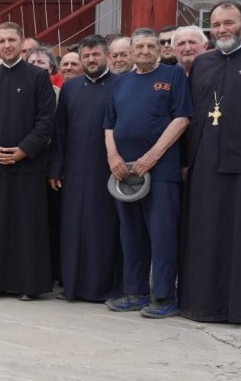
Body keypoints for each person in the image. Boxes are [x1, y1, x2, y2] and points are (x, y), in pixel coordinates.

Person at [181, 1, 241, 324]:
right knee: (206, 234)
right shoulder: (203, 63)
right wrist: (185, 161)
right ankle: (202, 305)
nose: (221, 29)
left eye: (228, 23)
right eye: (216, 24)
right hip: (204, 162)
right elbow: (190, 115)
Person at [103, 28, 191, 318]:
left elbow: (181, 118)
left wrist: (152, 156)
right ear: (130, 51)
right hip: (124, 172)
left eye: (149, 46)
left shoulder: (173, 75)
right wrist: (113, 156)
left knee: (162, 235)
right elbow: (109, 124)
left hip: (160, 171)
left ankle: (165, 297)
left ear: (159, 49)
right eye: (138, 46)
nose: (143, 51)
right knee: (131, 234)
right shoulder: (121, 82)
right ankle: (136, 293)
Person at [0, 21, 55, 301]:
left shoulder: (37, 77)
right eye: (2, 41)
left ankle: (28, 286)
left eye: (12, 40)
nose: (7, 45)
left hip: (27, 167)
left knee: (27, 228)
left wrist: (24, 150)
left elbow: (46, 121)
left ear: (21, 43)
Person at [47, 35, 122, 302]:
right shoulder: (70, 88)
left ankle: (103, 289)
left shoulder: (120, 84)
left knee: (103, 229)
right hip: (74, 169)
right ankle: (72, 286)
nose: (91, 60)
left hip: (109, 168)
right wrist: (55, 169)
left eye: (96, 55)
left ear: (107, 57)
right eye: (86, 56)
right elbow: (60, 131)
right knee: (73, 228)